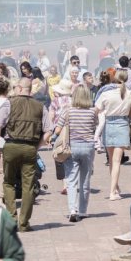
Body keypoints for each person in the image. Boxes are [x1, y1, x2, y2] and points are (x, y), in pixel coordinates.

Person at [0, 77, 51, 232]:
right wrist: (37, 147)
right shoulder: (40, 106)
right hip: (30, 148)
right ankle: (24, 223)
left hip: (11, 146)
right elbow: (48, 131)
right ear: (30, 89)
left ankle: (12, 220)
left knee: (8, 182)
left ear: (19, 88)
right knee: (28, 186)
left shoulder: (9, 103)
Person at [50, 85, 99, 222]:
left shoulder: (68, 111)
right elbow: (94, 127)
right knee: (85, 179)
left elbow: (58, 130)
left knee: (71, 180)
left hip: (72, 147)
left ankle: (73, 209)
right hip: (88, 147)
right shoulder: (92, 112)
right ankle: (83, 210)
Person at [95, 70, 131, 200]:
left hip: (108, 125)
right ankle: (113, 191)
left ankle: (115, 187)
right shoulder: (130, 93)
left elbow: (96, 110)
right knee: (117, 161)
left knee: (112, 160)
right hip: (122, 125)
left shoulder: (106, 93)